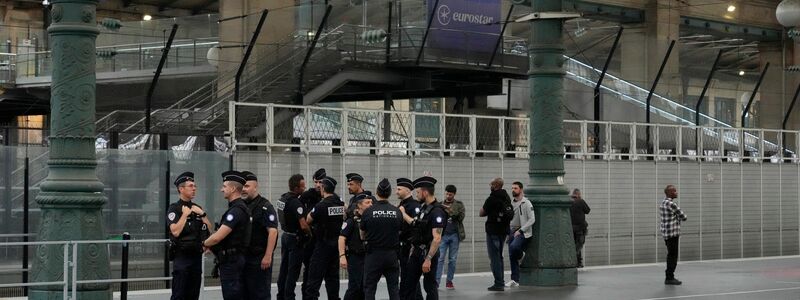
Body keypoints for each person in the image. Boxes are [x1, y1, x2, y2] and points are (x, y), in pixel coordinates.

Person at [202, 171, 253, 300]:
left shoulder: (236, 211)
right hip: (232, 259)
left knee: (232, 295)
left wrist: (203, 244)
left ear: (233, 188)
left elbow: (218, 237)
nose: (221, 189)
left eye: (224, 186)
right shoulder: (237, 209)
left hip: (232, 261)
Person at [399, 176, 447, 300]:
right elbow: (415, 224)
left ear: (425, 192)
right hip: (416, 252)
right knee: (409, 284)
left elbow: (437, 238)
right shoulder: (423, 208)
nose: (417, 195)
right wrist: (403, 214)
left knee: (429, 286)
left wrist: (428, 259)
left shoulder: (437, 211)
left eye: (418, 192)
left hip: (428, 254)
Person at [167, 172, 212, 300]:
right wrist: (184, 215)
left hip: (196, 257)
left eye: (195, 186)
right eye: (191, 186)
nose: (194, 189)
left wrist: (202, 214)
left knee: (193, 295)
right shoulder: (174, 208)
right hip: (182, 258)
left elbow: (209, 230)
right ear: (181, 189)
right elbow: (175, 231)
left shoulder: (197, 208)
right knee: (179, 295)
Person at [303, 176, 345, 300]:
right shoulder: (340, 203)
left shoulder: (321, 206)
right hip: (335, 245)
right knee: (332, 279)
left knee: (313, 280)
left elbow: (308, 220)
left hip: (322, 245)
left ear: (323, 188)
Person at [361, 179, 404, 300]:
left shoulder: (368, 212)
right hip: (392, 255)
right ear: (390, 193)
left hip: (373, 255)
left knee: (369, 288)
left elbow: (362, 234)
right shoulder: (397, 212)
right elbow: (400, 230)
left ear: (376, 192)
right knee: (394, 288)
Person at [241, 171, 279, 300]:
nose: (243, 190)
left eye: (247, 186)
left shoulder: (265, 206)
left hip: (259, 259)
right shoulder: (240, 206)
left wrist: (268, 256)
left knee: (260, 294)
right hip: (244, 258)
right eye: (242, 187)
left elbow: (273, 231)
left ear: (255, 187)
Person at [276, 174, 311, 300]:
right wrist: (309, 234)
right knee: (293, 272)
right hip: (295, 239)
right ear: (296, 188)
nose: (305, 188)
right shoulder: (296, 203)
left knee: (283, 269)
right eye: (302, 186)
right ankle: (289, 296)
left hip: (285, 236)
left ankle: (281, 295)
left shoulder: (282, 199)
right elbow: (303, 225)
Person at [479, 178, 512, 292]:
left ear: (495, 185)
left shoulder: (492, 198)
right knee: (499, 257)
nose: (490, 186)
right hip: (503, 231)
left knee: (494, 258)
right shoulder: (507, 197)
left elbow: (481, 212)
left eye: (491, 184)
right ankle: (500, 282)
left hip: (493, 231)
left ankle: (498, 283)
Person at [339, 193, 372, 300]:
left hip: (368, 257)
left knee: (364, 287)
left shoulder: (371, 219)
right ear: (359, 205)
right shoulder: (351, 221)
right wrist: (342, 256)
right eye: (367, 202)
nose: (371, 204)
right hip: (355, 258)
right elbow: (341, 238)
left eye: (371, 202)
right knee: (355, 287)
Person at [396, 178, 423, 300]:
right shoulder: (401, 205)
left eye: (399, 189)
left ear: (407, 190)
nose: (396, 191)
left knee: (410, 278)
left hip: (410, 247)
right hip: (401, 247)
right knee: (407, 277)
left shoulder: (414, 206)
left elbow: (416, 226)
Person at [435, 185, 465, 290]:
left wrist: (449, 210)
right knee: (440, 259)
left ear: (454, 194)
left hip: (454, 235)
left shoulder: (459, 205)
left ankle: (449, 281)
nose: (448, 196)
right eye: (447, 194)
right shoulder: (440, 204)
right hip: (443, 235)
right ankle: (436, 282)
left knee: (452, 259)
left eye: (450, 194)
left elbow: (461, 217)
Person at [506, 182, 535, 287]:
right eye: (512, 188)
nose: (513, 190)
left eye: (516, 188)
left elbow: (532, 219)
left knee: (514, 247)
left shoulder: (526, 203)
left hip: (522, 232)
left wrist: (521, 230)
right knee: (511, 256)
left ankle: (521, 255)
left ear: (521, 190)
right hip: (512, 231)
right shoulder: (511, 203)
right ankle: (515, 280)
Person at [660, 185, 687, 285]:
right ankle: (669, 277)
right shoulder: (672, 204)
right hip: (673, 233)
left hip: (666, 233)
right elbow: (684, 217)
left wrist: (676, 216)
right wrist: (678, 217)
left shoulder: (663, 203)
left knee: (670, 254)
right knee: (673, 256)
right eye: (674, 191)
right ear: (670, 193)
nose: (676, 192)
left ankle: (669, 276)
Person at [570, 189, 590, 268]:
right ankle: (578, 262)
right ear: (578, 194)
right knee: (579, 244)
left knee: (574, 244)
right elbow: (587, 210)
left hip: (571, 228)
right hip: (580, 228)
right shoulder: (581, 201)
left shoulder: (569, 201)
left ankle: (575, 261)